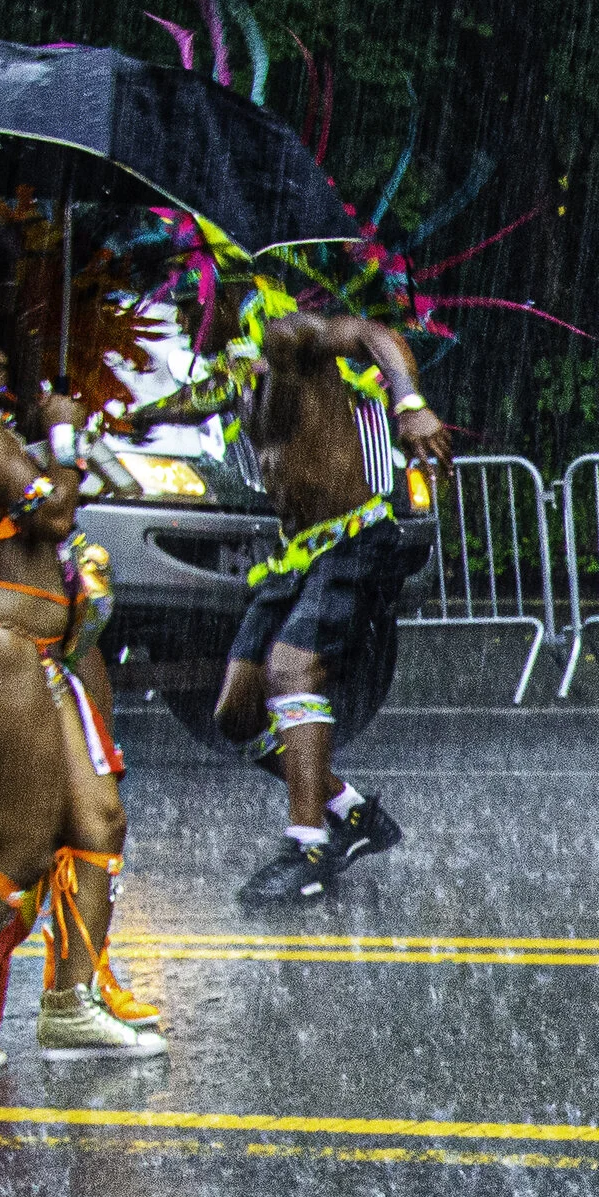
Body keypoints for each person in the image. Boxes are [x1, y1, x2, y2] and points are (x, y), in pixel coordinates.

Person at [0, 273, 162, 1065]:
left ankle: (70, 1003)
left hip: (38, 659)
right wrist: (62, 434)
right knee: (14, 847)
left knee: (97, 821)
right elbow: (52, 511)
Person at [138, 283, 451, 906]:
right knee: (234, 713)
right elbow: (183, 406)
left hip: (352, 541)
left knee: (291, 671)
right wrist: (112, 413)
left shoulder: (286, 336)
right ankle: (351, 810)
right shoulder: (238, 371)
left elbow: (371, 333)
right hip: (293, 556)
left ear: (224, 293)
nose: (183, 316)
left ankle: (308, 846)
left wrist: (410, 401)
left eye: (191, 300)